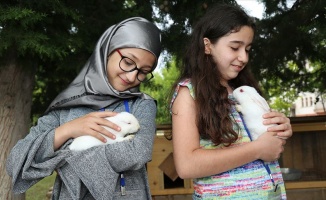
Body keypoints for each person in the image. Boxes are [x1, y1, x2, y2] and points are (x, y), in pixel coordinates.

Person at [6, 17, 161, 200]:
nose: (132, 75)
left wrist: (62, 157)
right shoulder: (66, 106)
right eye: (128, 62)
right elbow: (16, 160)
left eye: (143, 71)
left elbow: (138, 153)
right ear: (107, 50)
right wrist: (68, 130)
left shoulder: (142, 105)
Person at [170, 4, 292, 199]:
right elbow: (186, 165)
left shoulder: (243, 89)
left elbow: (264, 138)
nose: (243, 57)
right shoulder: (189, 93)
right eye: (235, 47)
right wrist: (257, 149)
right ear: (208, 45)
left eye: (248, 49)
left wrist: (280, 127)